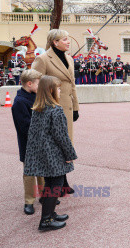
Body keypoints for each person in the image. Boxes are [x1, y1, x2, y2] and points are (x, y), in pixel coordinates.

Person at [24, 75, 77, 231]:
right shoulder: (56, 110)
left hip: (42, 154)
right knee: (55, 186)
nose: (60, 91)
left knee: (49, 185)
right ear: (51, 91)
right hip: (53, 155)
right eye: (59, 88)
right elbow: (62, 136)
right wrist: (70, 155)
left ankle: (51, 214)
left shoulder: (38, 108)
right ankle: (46, 220)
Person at [32, 29, 80, 194]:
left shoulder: (69, 58)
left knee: (66, 143)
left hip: (66, 107)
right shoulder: (43, 59)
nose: (68, 42)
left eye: (68, 39)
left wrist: (75, 107)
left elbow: (72, 85)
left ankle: (64, 181)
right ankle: (52, 187)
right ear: (55, 42)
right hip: (50, 109)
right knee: (54, 146)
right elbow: (35, 84)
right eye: (65, 39)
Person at [11, 69, 44, 215]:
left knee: (43, 170)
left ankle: (44, 196)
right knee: (30, 173)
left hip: (42, 140)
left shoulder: (36, 95)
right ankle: (29, 201)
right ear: (29, 84)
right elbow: (25, 127)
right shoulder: (19, 102)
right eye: (39, 84)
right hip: (29, 143)